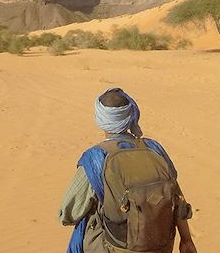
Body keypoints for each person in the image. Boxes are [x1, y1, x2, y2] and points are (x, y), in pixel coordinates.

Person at [59, 88, 197, 253]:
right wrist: (186, 240)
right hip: (162, 245)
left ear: (100, 120)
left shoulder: (96, 158)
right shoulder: (154, 148)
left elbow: (69, 213)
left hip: (116, 248)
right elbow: (176, 197)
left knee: (85, 221)